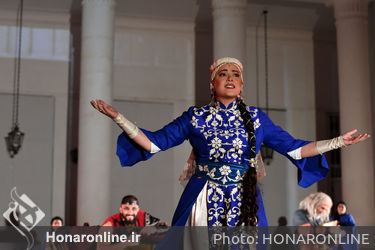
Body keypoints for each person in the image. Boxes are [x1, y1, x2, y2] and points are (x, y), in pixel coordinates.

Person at [91, 57, 370, 227]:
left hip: (245, 197)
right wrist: (119, 118)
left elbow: (295, 148)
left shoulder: (257, 119)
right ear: (212, 83)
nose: (230, 78)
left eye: (235, 74)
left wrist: (338, 142)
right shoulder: (195, 117)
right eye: (223, 74)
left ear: (242, 84)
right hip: (202, 198)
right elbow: (153, 144)